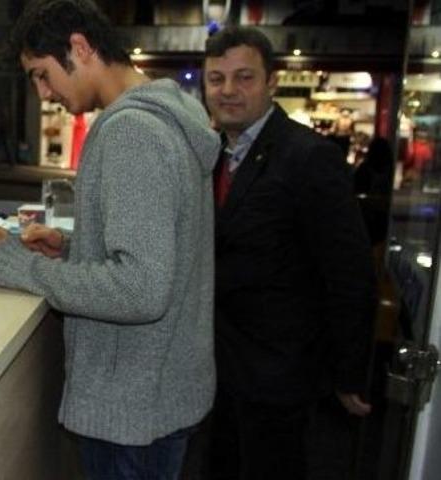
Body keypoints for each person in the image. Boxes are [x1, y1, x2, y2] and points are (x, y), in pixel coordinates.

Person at [0, 1, 220, 478]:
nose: (44, 93)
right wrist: (72, 248)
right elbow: (165, 253)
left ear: (80, 48)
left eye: (42, 74)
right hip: (161, 394)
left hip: (131, 409)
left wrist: (12, 264)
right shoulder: (174, 114)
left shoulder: (131, 130)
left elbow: (140, 288)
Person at [202, 26, 377, 480]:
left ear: (272, 82)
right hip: (220, 375)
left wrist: (350, 374)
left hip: (281, 382)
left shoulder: (309, 157)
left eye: (244, 78)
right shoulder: (214, 154)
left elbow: (349, 272)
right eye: (216, 79)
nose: (228, 91)